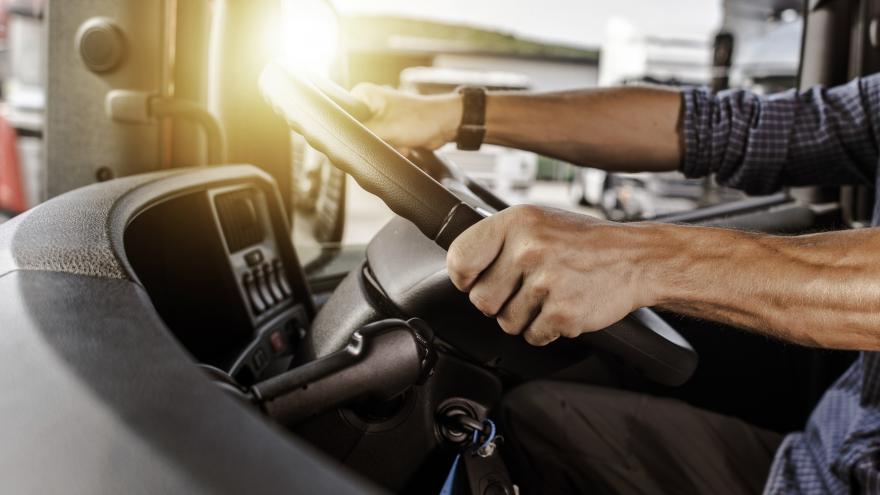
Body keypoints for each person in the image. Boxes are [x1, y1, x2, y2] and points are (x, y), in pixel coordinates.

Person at [352, 75, 880, 494]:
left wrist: (635, 259)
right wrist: (451, 115)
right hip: (820, 459)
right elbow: (732, 127)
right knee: (535, 423)